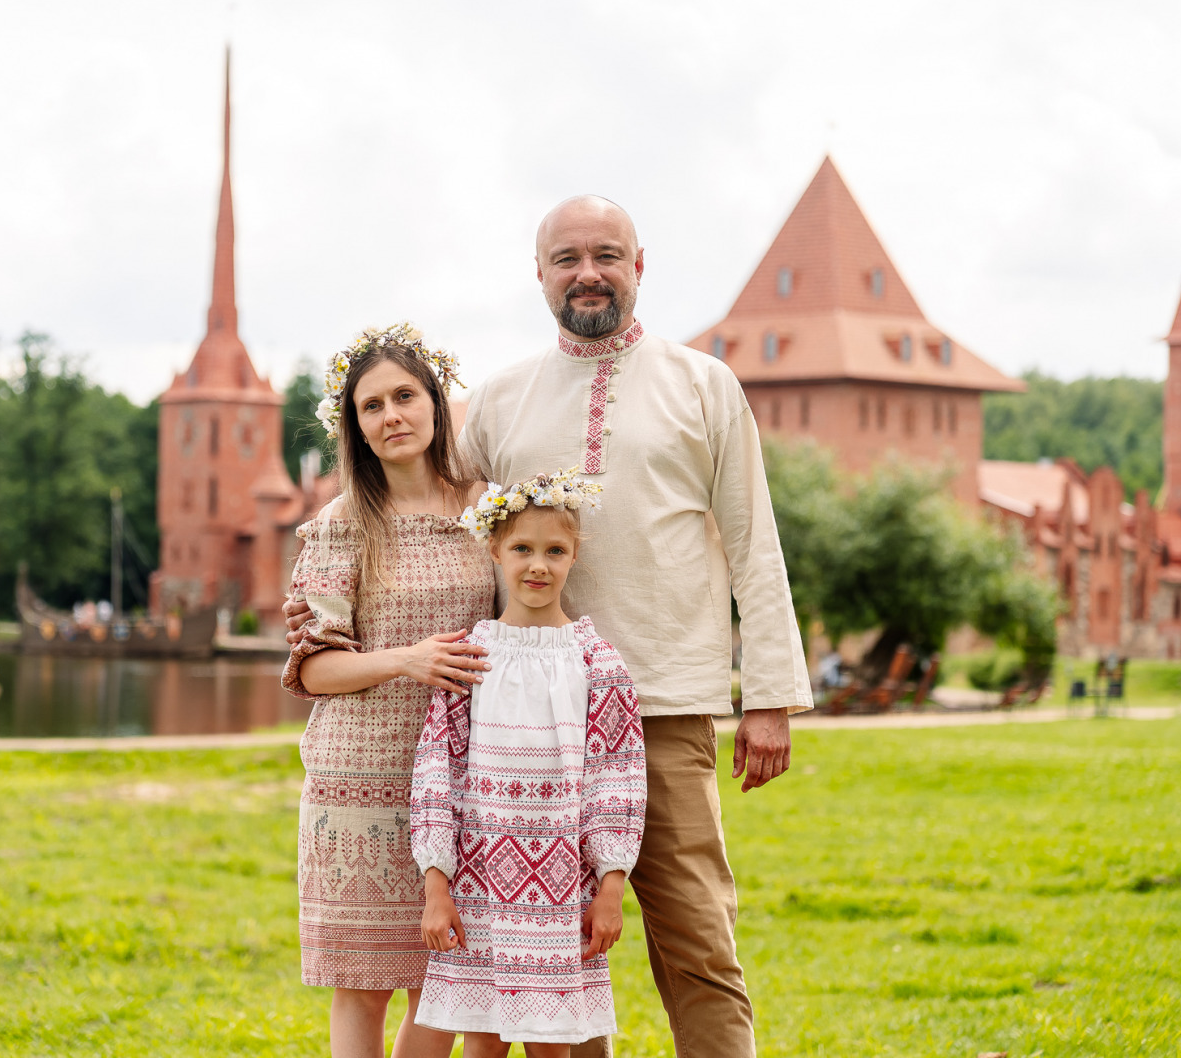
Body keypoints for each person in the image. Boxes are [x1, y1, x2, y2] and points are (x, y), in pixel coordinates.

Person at [286, 199, 811, 1056]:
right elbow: (418, 486)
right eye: (567, 257)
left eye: (608, 254)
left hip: (667, 703)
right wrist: (340, 513)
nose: (588, 272)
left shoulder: (703, 385)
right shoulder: (500, 400)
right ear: (540, 275)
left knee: (699, 946)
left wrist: (773, 696)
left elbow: (756, 544)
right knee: (540, 951)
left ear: (641, 263)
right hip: (523, 728)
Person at [281, 322, 496, 1058]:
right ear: (357, 428)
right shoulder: (342, 525)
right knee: (365, 982)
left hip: (466, 774)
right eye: (371, 407)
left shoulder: (485, 509)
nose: (391, 416)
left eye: (405, 396)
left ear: (436, 403)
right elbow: (314, 670)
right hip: (360, 777)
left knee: (449, 973)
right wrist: (406, 660)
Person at [409, 470, 647, 1058]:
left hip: (562, 891)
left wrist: (611, 885)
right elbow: (437, 773)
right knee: (483, 1041)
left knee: (550, 1044)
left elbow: (618, 779)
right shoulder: (468, 659)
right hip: (480, 883)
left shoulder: (599, 663)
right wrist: (436, 884)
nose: (537, 565)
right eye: (522, 548)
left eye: (554, 551)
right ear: (494, 550)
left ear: (574, 558)